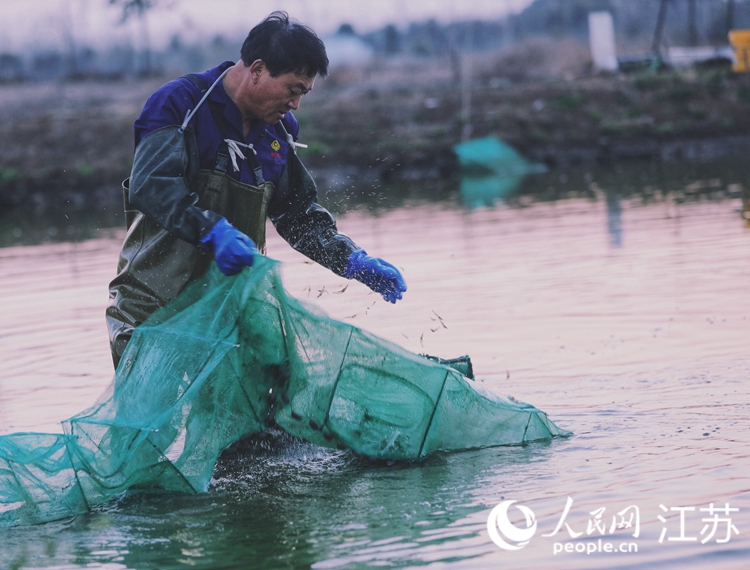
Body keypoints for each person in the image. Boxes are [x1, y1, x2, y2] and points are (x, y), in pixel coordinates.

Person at [106, 11, 406, 368]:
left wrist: (351, 260)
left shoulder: (279, 130)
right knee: (152, 422)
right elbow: (151, 185)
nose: (295, 104)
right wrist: (212, 231)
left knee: (259, 416)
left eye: (303, 94)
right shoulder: (179, 105)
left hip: (233, 312)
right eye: (293, 90)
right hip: (154, 312)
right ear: (258, 70)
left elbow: (297, 216)